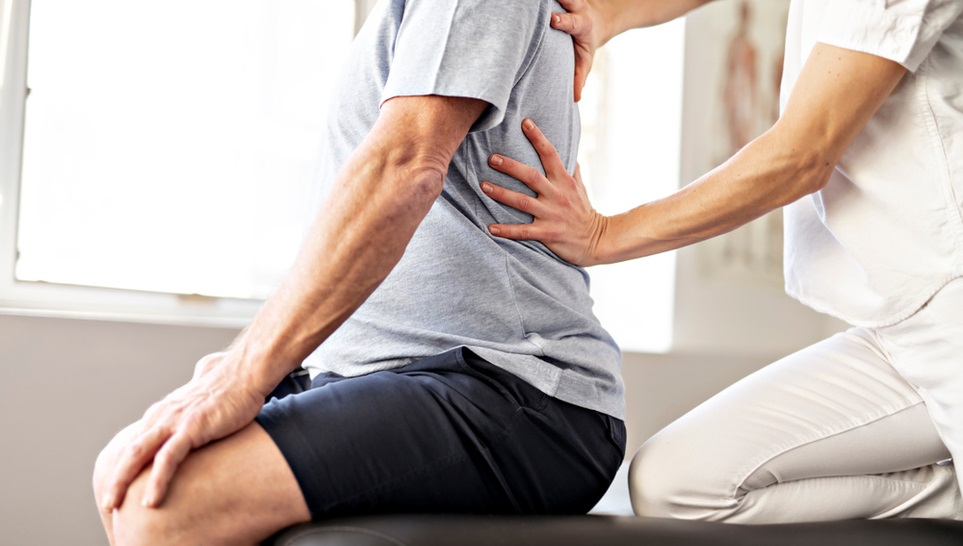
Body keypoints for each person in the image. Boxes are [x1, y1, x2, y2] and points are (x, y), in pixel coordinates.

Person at [91, 1, 627, 544]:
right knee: (125, 468)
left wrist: (244, 374)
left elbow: (404, 167)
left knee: (162, 504)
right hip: (387, 368)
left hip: (515, 385)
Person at [481, 0, 963, 523]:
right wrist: (609, 14)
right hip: (892, 322)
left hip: (948, 303)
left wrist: (603, 234)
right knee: (674, 483)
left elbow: (802, 155)